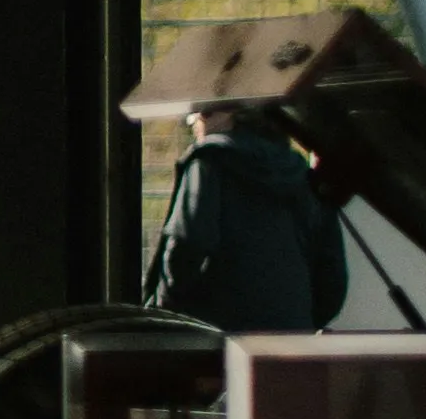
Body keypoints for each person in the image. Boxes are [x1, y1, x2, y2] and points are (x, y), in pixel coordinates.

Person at [142, 102, 346, 332]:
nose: (196, 124)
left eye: (200, 114)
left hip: (220, 340)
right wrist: (299, 322)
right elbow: (331, 274)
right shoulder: (300, 175)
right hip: (291, 342)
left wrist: (163, 311)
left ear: (223, 114)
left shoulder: (210, 162)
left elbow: (187, 248)